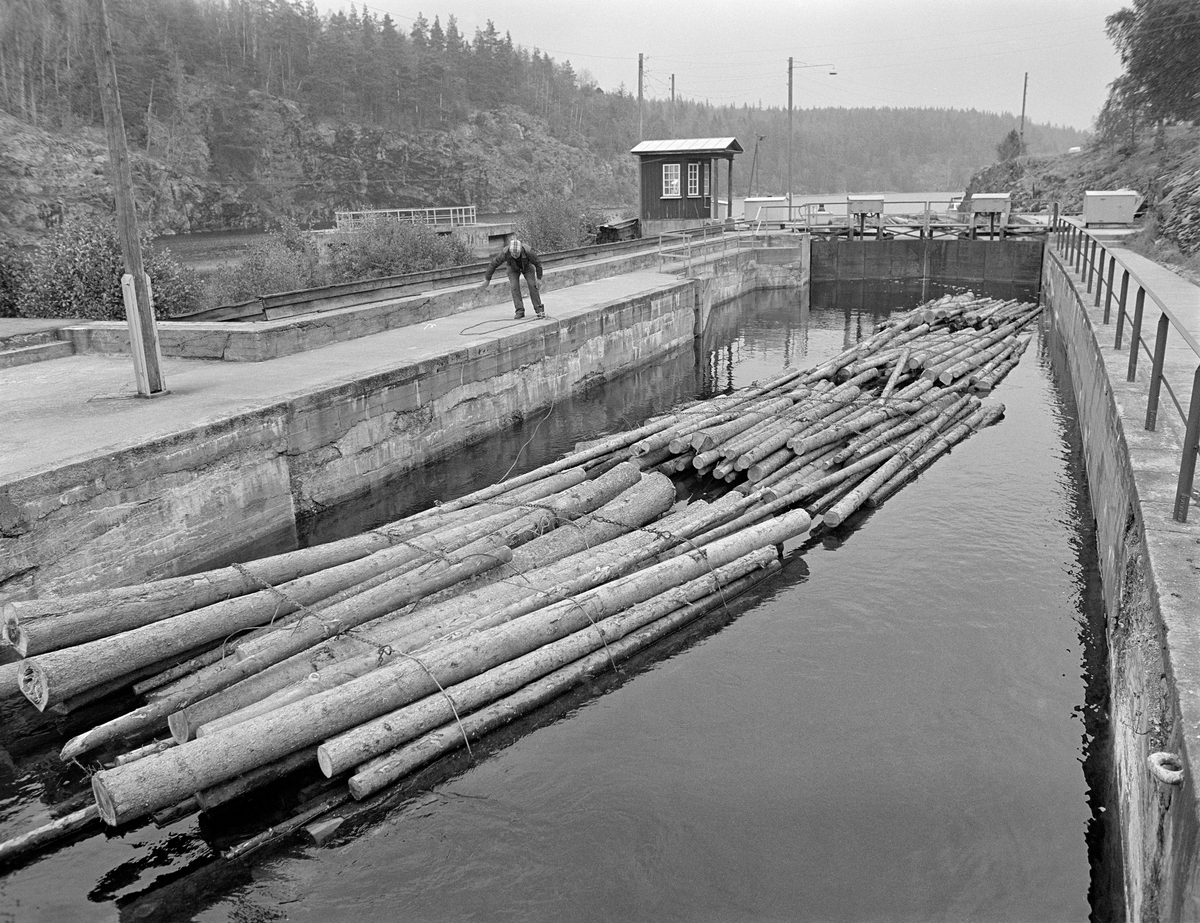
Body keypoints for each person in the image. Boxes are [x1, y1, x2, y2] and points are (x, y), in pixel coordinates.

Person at [480, 237, 545, 319]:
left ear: (520, 251)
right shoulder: (505, 252)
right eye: (513, 254)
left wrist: (539, 278)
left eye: (517, 254)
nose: (515, 255)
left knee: (533, 285)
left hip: (527, 267)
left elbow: (538, 263)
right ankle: (519, 311)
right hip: (512, 268)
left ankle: (539, 309)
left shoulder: (528, 251)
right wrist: (487, 279)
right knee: (514, 287)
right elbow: (493, 264)